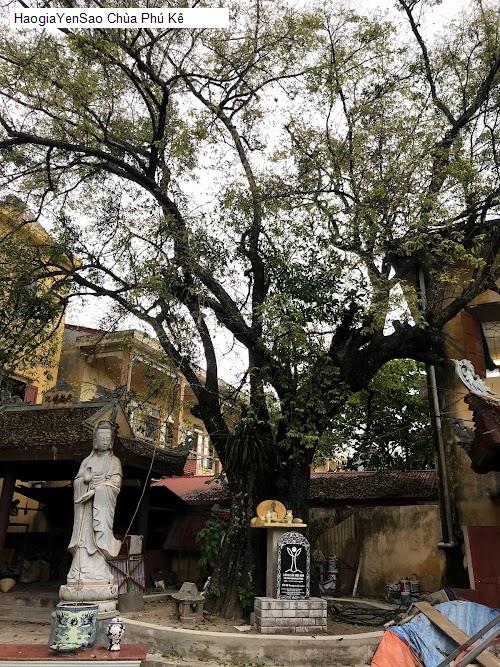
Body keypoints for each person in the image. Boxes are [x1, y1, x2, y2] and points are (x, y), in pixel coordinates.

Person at [66, 420, 122, 585]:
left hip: (101, 507)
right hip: (85, 511)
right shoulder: (86, 461)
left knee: (97, 539)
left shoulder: (114, 462)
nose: (104, 441)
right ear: (95, 441)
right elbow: (77, 481)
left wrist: (96, 491)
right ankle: (78, 572)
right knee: (84, 540)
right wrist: (84, 481)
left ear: (111, 442)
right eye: (101, 438)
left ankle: (99, 572)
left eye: (107, 439)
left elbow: (115, 484)